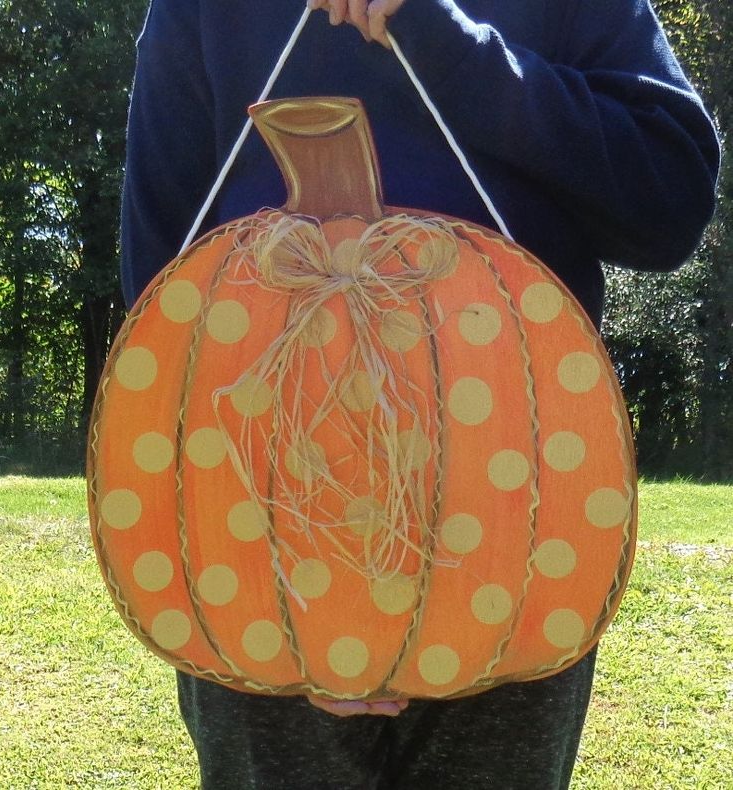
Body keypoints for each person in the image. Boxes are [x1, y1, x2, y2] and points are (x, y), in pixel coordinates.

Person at [120, 1, 720, 787]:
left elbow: (668, 205)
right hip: (257, 510)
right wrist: (289, 611)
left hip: (518, 519)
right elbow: (163, 294)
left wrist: (444, 40)